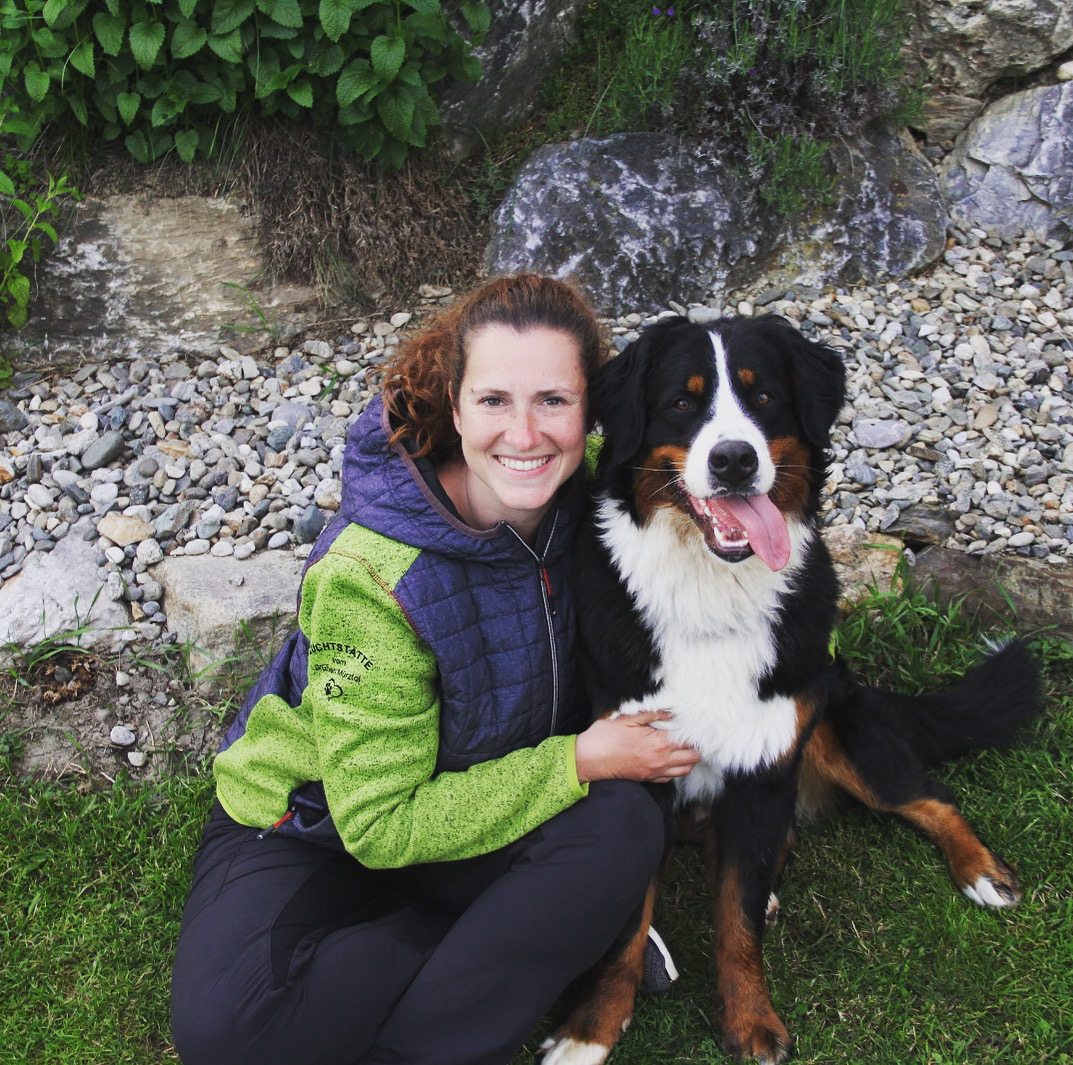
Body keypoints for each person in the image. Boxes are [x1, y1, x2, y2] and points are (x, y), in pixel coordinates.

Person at [170, 273, 700, 1065]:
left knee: (624, 823)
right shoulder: (371, 575)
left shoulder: (597, 505)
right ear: (455, 407)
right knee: (227, 1034)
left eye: (553, 400)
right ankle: (524, 945)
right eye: (493, 400)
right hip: (319, 823)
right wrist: (578, 759)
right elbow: (381, 824)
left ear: (589, 408)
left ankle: (458, 980)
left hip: (487, 811)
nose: (524, 433)